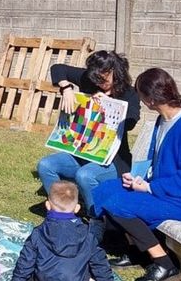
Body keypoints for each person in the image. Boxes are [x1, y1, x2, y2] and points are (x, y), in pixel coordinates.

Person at [92, 68, 181, 281]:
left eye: (140, 95)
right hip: (168, 190)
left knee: (119, 204)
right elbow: (159, 164)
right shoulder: (163, 120)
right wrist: (139, 180)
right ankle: (136, 252)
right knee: (105, 190)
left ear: (150, 99)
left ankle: (165, 264)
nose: (140, 100)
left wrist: (149, 188)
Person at [36, 50, 140, 216]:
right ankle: (62, 214)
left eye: (104, 79)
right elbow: (58, 68)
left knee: (84, 175)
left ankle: (96, 219)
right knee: (45, 165)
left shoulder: (129, 93)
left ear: (114, 71)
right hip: (82, 152)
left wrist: (110, 105)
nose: (100, 84)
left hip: (113, 160)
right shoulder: (89, 80)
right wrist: (66, 88)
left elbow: (131, 121)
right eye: (96, 80)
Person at [11, 180, 115, 281]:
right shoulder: (88, 235)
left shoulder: (38, 233)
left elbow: (26, 260)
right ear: (77, 208)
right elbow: (100, 264)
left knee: (37, 276)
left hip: (45, 280)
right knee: (91, 278)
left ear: (47, 205)